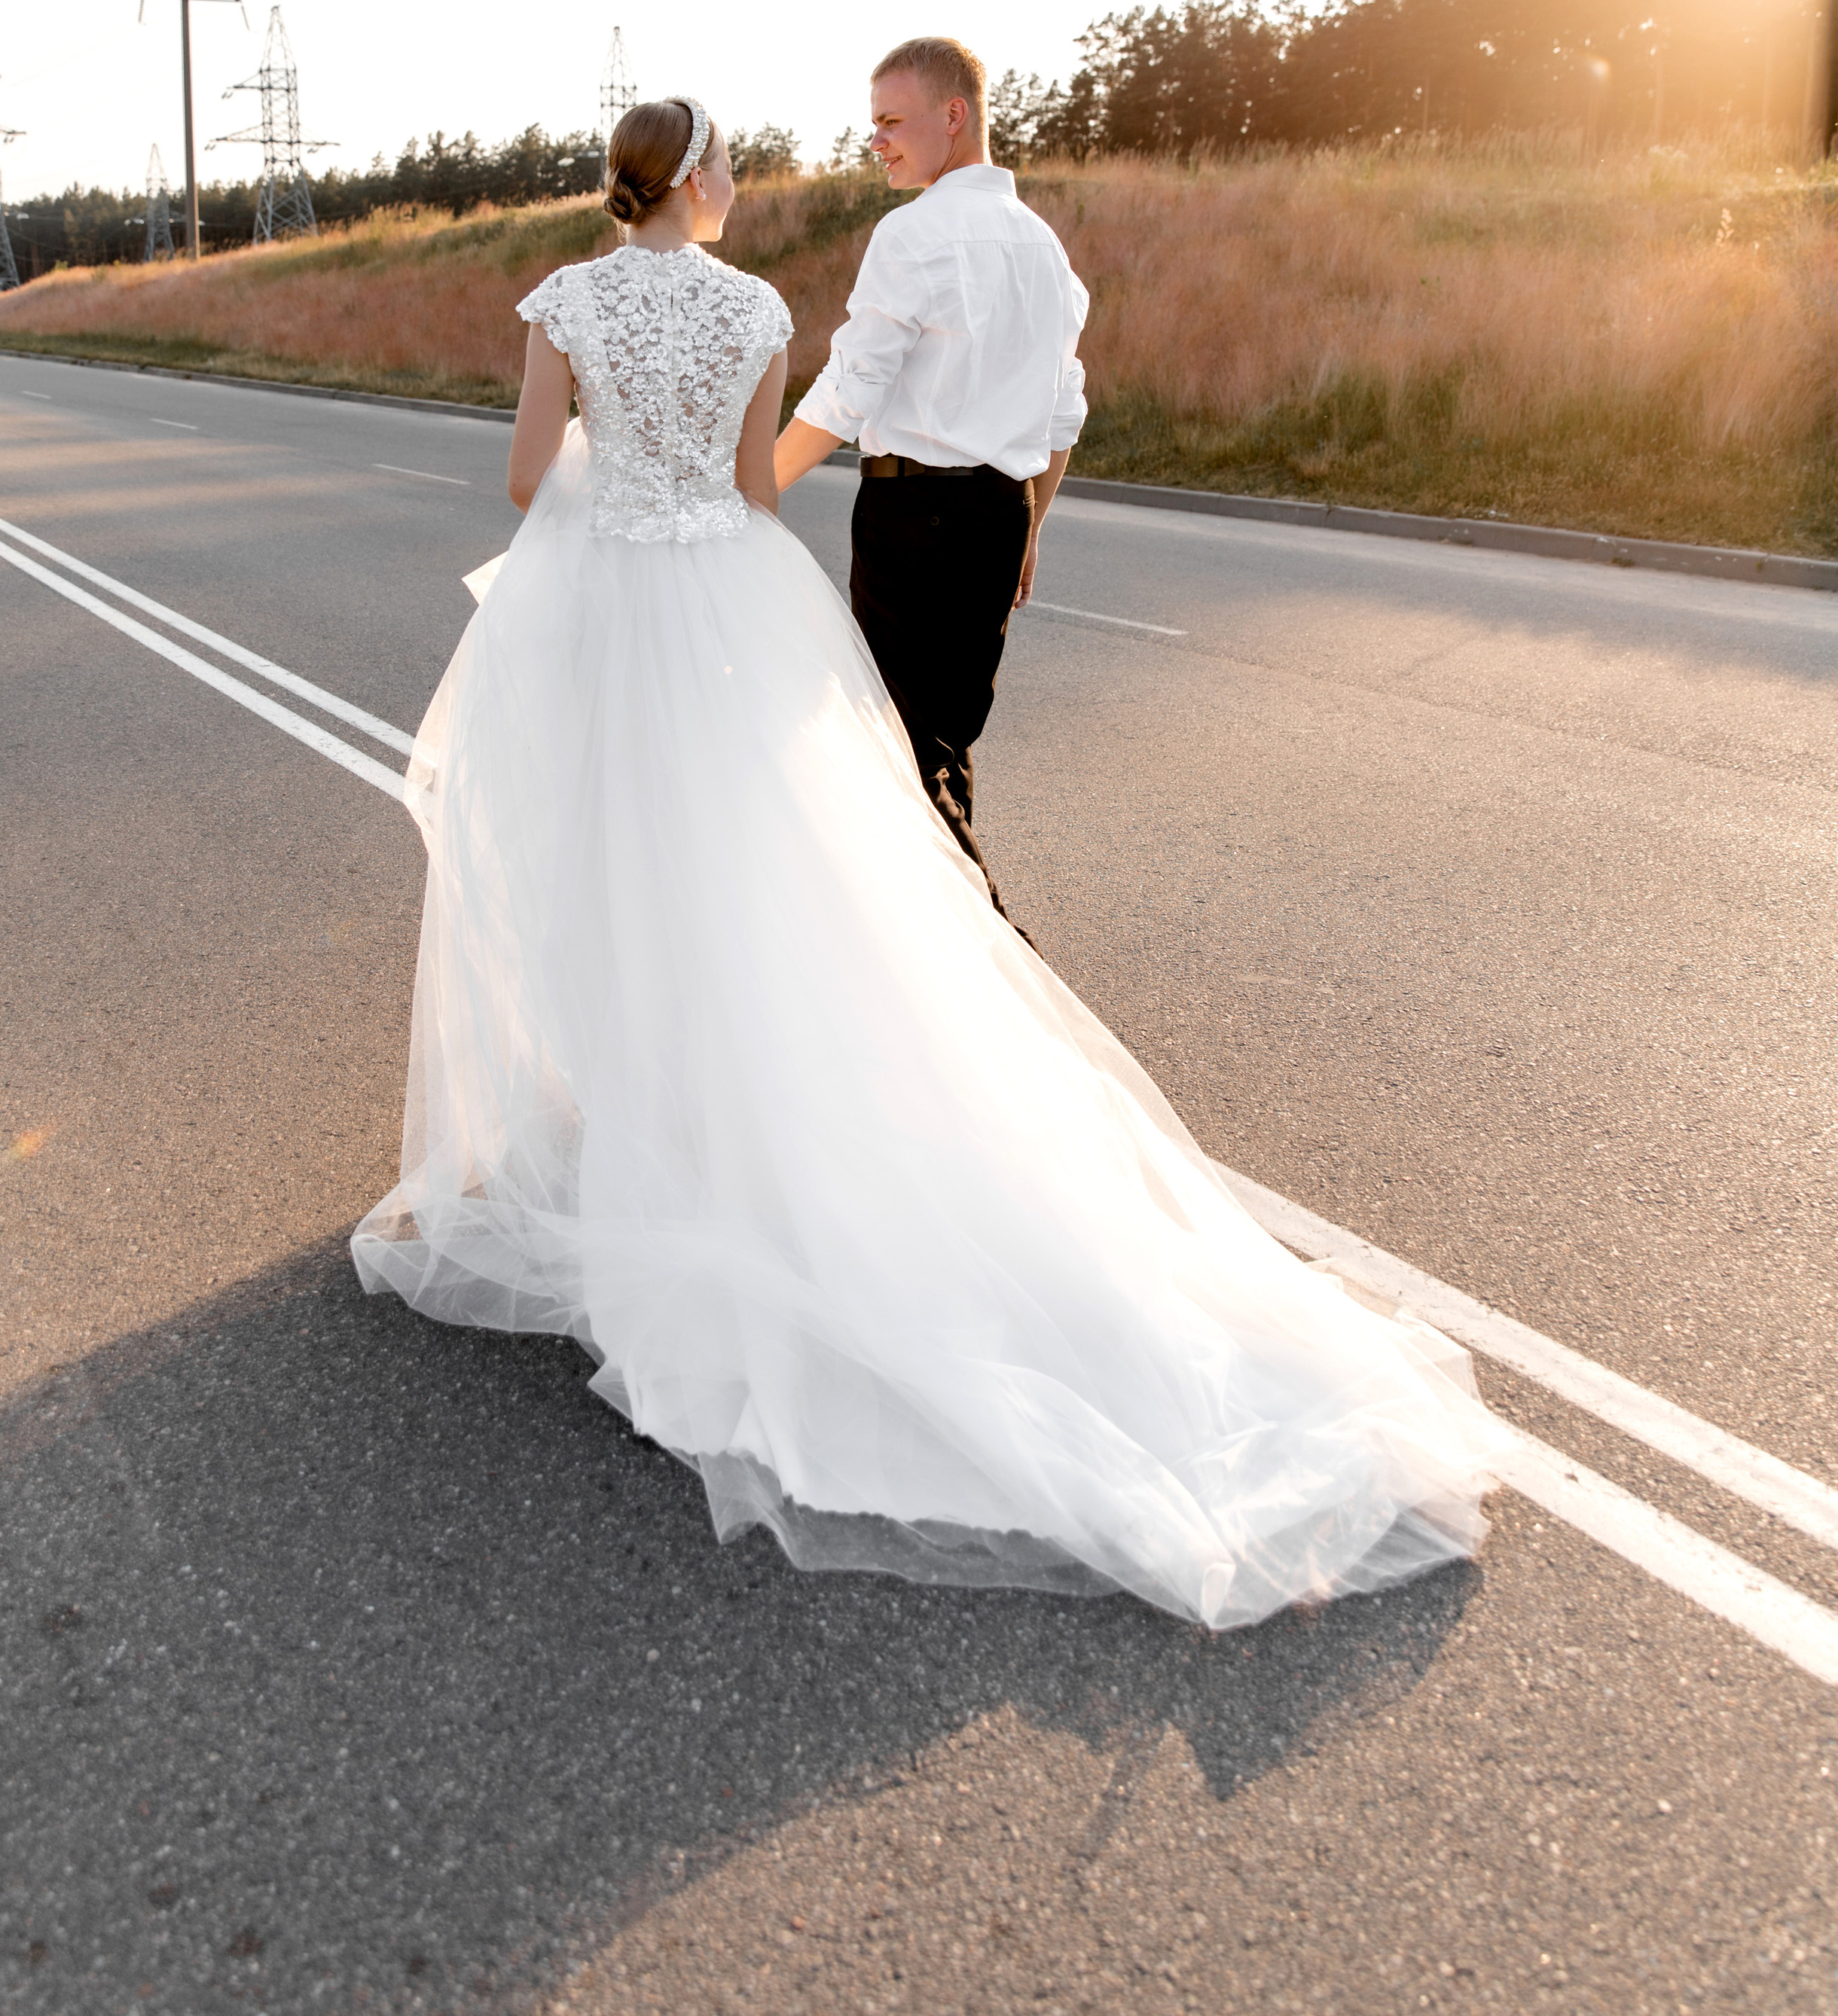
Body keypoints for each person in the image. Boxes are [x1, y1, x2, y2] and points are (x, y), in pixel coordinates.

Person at [352, 91, 1498, 1629]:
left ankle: (629, 1113)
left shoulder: (562, 300)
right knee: (756, 878)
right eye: (732, 165)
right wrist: (691, 497)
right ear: (700, 182)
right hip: (727, 607)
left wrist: (613, 504)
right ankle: (725, 1115)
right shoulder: (757, 306)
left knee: (603, 872)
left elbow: (520, 481)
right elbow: (756, 491)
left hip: (602, 613)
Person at [774, 38, 1084, 918]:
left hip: (916, 515)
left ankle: (989, 953)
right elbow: (1062, 411)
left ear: (954, 116)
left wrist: (754, 489)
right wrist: (1032, 525)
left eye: (891, 122)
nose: (876, 141)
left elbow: (852, 385)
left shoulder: (913, 232)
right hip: (999, 516)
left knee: (906, 752)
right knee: (944, 741)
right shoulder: (1044, 247)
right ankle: (925, 956)